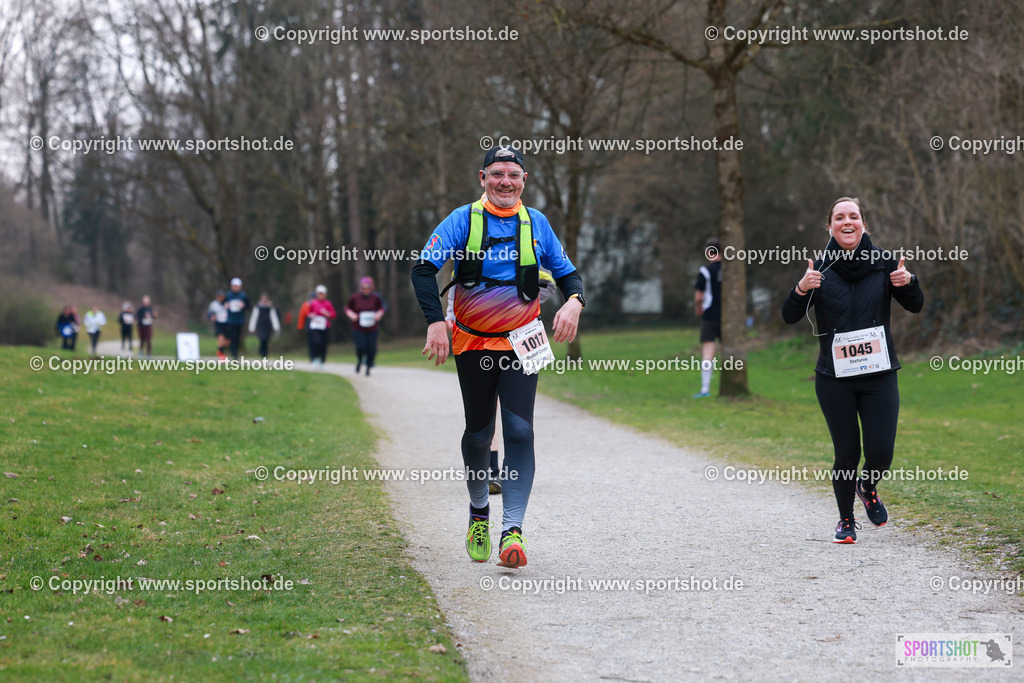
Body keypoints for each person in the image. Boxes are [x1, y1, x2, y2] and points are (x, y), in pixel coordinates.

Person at [411, 145, 585, 569]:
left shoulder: (537, 223)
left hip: (521, 341)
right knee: (478, 433)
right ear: (482, 178)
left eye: (513, 174)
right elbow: (422, 268)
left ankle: (513, 532)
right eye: (497, 174)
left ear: (524, 180)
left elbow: (568, 274)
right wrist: (436, 322)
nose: (505, 181)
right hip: (471, 342)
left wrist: (574, 301)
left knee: (520, 431)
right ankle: (477, 514)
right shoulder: (462, 220)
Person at [781, 197, 923, 544]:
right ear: (829, 226)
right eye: (839, 217)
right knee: (847, 452)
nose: (848, 222)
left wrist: (909, 281)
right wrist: (802, 289)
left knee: (881, 452)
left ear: (864, 224)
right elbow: (789, 315)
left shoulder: (885, 263)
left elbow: (915, 306)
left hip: (879, 375)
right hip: (835, 379)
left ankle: (868, 486)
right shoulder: (819, 269)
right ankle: (846, 521)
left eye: (854, 216)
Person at [444, 267, 559, 495]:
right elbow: (457, 283)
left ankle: (509, 473)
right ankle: (491, 469)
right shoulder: (469, 241)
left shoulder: (529, 239)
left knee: (518, 417)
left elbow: (549, 283)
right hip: (478, 338)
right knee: (487, 408)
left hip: (522, 334)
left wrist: (520, 304)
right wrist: (450, 314)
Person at [693, 237, 722, 398]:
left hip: (710, 314)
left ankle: (705, 389)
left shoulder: (705, 271)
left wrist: (698, 308)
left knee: (708, 352)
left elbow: (699, 295)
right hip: (727, 317)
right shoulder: (731, 271)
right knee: (729, 353)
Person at [345, 277, 386, 375]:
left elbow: (381, 308)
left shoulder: (375, 298)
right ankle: (359, 361)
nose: (365, 289)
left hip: (372, 327)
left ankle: (368, 366)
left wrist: (379, 314)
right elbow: (347, 308)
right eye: (363, 288)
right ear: (360, 288)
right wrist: (351, 315)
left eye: (367, 287)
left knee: (371, 347)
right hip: (357, 327)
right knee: (361, 347)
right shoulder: (354, 297)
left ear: (371, 288)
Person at [306, 285, 336, 367]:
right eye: (319, 294)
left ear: (325, 294)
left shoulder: (328, 304)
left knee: (324, 344)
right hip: (315, 326)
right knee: (316, 342)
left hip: (325, 326)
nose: (321, 295)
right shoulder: (313, 303)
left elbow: (333, 315)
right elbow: (308, 313)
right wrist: (311, 315)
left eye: (322, 294)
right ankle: (315, 358)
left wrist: (327, 313)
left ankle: (322, 360)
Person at [223, 277, 250, 359]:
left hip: (240, 320)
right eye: (234, 286)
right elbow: (223, 305)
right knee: (232, 337)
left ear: (240, 286)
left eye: (237, 286)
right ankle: (233, 353)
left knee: (238, 337)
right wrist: (226, 306)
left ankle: (236, 354)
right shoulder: (228, 295)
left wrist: (244, 305)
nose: (235, 287)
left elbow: (248, 306)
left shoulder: (243, 296)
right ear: (231, 286)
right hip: (230, 320)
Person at [248, 293, 281, 358]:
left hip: (268, 326)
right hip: (260, 326)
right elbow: (254, 317)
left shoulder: (270, 308)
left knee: (266, 339)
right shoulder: (257, 307)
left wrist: (276, 327)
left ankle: (265, 353)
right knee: (262, 339)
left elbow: (274, 318)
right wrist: (251, 328)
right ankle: (262, 352)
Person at [207, 291, 230, 360]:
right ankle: (221, 354)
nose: (221, 298)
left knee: (227, 342)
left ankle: (222, 352)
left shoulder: (227, 303)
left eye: (222, 296)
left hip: (227, 323)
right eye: (219, 296)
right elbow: (209, 313)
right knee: (221, 338)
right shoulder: (213, 304)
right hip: (218, 323)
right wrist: (211, 317)